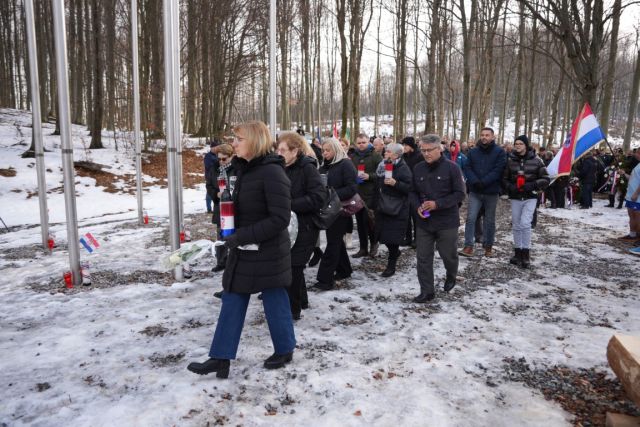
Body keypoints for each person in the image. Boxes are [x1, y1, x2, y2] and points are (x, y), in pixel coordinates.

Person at [187, 121, 295, 378]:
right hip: (244, 247)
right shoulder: (241, 169)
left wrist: (241, 236)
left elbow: (280, 218)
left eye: (239, 139)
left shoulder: (272, 172)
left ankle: (285, 349)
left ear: (255, 141)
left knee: (275, 299)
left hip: (268, 251)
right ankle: (220, 357)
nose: (233, 144)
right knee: (232, 296)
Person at [410, 134, 465, 302]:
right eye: (423, 150)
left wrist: (437, 204)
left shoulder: (452, 168)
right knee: (423, 258)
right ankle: (427, 291)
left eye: (429, 150)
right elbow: (412, 191)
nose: (426, 154)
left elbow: (460, 194)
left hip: (446, 221)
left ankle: (451, 274)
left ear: (439, 149)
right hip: (424, 221)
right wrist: (417, 207)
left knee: (448, 255)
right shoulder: (418, 168)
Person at [276, 132, 324, 320]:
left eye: (283, 150)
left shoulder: (307, 168)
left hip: (305, 226)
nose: (278, 153)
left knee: (293, 267)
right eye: (277, 149)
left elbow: (318, 198)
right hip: (287, 227)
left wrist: (288, 205)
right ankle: (302, 300)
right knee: (293, 266)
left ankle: (292, 311)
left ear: (295, 151)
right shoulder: (280, 167)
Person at [315, 138, 358, 290]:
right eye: (323, 150)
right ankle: (344, 269)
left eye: (328, 150)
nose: (325, 153)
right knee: (336, 241)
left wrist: (331, 194)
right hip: (329, 209)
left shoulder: (346, 164)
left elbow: (352, 188)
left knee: (333, 243)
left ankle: (324, 279)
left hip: (341, 209)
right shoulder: (324, 166)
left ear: (336, 149)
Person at [502, 135, 550, 268]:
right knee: (516, 225)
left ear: (526, 145)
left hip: (530, 197)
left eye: (520, 144)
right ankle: (518, 253)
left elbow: (546, 178)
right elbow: (504, 179)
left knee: (525, 223)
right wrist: (510, 187)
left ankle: (526, 254)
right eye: (516, 144)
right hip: (516, 197)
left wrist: (532, 185)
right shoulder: (510, 160)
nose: (518, 146)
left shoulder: (537, 160)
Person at [460, 127, 506, 257]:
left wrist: (484, 182)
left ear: (492, 137)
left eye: (487, 135)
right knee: (471, 218)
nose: (484, 137)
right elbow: (467, 167)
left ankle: (488, 246)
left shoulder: (499, 152)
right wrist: (474, 181)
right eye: (482, 135)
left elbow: (498, 170)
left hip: (491, 191)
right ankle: (468, 246)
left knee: (489, 220)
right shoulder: (473, 151)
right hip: (475, 191)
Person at [374, 143, 412, 276]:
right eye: (385, 151)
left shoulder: (403, 168)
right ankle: (395, 253)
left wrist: (396, 183)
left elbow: (410, 188)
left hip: (397, 208)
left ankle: (391, 266)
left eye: (388, 152)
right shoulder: (383, 165)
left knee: (393, 239)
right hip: (383, 205)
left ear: (396, 155)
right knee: (383, 236)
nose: (385, 153)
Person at [206, 144, 236, 278]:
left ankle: (235, 261)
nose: (221, 162)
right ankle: (221, 261)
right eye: (219, 159)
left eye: (224, 159)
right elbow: (209, 185)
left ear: (231, 157)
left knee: (236, 235)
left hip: (235, 206)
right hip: (220, 207)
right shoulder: (215, 168)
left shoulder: (237, 168)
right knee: (221, 234)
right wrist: (216, 194)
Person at [352, 133, 383, 258]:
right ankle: (363, 248)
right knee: (360, 223)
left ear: (368, 142)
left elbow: (383, 173)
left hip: (372, 195)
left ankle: (374, 244)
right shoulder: (353, 156)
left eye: (363, 142)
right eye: (359, 143)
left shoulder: (376, 156)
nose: (361, 145)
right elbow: (350, 173)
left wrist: (369, 176)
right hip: (357, 194)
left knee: (370, 222)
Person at [204, 140, 219, 213]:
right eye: (214, 147)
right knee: (209, 192)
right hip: (209, 176)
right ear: (211, 148)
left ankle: (216, 207)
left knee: (216, 191)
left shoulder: (217, 155)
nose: (215, 148)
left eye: (216, 147)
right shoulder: (208, 156)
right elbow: (209, 166)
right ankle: (209, 209)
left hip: (217, 176)